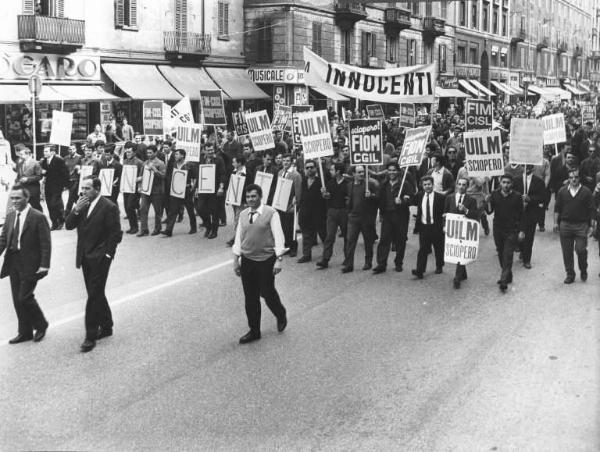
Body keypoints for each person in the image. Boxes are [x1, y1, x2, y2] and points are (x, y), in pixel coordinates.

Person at [65, 176, 122, 353]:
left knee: (93, 295)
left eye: (87, 188)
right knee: (95, 292)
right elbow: (68, 226)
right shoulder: (82, 204)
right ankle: (107, 325)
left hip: (100, 257)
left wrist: (107, 255)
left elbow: (116, 234)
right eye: (82, 187)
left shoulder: (109, 207)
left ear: (97, 189)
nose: (83, 191)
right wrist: (76, 210)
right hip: (84, 256)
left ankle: (90, 336)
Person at [232, 184, 287, 344]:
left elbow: (279, 237)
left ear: (260, 196)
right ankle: (254, 330)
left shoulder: (271, 213)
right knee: (250, 297)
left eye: (254, 196)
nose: (250, 199)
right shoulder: (243, 214)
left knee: (267, 293)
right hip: (247, 260)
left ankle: (280, 313)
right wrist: (236, 260)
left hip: (266, 260)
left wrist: (279, 259)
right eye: (248, 197)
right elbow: (238, 238)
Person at [0, 185, 50, 344]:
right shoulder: (10, 216)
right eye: (12, 198)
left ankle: (41, 324)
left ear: (27, 198)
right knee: (17, 299)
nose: (14, 201)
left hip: (30, 263)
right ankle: (25, 331)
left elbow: (45, 244)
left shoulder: (38, 217)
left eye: (17, 198)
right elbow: (3, 240)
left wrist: (44, 264)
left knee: (24, 297)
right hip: (13, 261)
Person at [553, 168, 596, 284]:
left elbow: (591, 210)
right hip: (565, 225)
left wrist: (591, 226)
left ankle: (583, 268)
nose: (573, 179)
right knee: (567, 252)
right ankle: (570, 274)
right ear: (568, 178)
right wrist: (555, 223)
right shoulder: (562, 191)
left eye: (576, 177)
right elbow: (557, 208)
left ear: (579, 178)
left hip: (581, 225)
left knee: (581, 249)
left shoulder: (586, 192)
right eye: (571, 177)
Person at [485, 174, 524, 293]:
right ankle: (508, 274)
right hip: (498, 228)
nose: (506, 185)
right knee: (501, 252)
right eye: (504, 182)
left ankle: (503, 280)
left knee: (508, 254)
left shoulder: (517, 197)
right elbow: (490, 211)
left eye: (508, 183)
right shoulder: (494, 194)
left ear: (511, 184)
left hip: (512, 229)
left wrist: (522, 231)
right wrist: (487, 202)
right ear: (500, 183)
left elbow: (522, 215)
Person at [373, 163, 415, 274]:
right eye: (389, 170)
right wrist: (380, 213)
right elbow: (380, 199)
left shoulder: (404, 184)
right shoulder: (384, 184)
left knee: (400, 240)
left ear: (398, 171)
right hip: (387, 215)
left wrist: (403, 201)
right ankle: (381, 264)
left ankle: (398, 263)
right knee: (384, 240)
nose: (391, 172)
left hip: (401, 216)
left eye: (394, 170)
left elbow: (411, 199)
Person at [342, 165, 379, 273]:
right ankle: (349, 265)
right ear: (353, 174)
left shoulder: (370, 184)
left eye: (363, 172)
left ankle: (368, 262)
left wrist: (371, 195)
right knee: (350, 241)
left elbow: (378, 198)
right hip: (353, 217)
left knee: (368, 241)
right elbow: (347, 198)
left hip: (366, 217)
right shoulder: (349, 185)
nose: (362, 174)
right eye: (359, 172)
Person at [444, 176, 478, 289]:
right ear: (456, 185)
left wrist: (466, 210)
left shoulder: (471, 200)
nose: (461, 187)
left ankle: (457, 277)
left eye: (464, 185)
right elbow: (445, 212)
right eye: (459, 184)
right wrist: (444, 224)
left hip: (464, 230)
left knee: (461, 252)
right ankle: (463, 274)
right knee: (457, 252)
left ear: (467, 187)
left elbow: (475, 215)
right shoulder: (450, 198)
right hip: (453, 230)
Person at [411, 175, 446, 279]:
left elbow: (444, 212)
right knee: (423, 249)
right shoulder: (419, 196)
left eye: (429, 184)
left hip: (436, 226)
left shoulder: (440, 198)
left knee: (438, 248)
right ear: (422, 185)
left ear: (433, 185)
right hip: (424, 226)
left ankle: (439, 265)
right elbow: (411, 202)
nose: (427, 186)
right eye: (425, 184)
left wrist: (444, 225)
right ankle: (420, 270)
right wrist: (405, 198)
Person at [316, 162, 349, 269]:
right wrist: (325, 195)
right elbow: (328, 197)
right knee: (329, 236)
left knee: (347, 236)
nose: (330, 171)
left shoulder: (348, 183)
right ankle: (325, 259)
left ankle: (348, 258)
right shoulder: (330, 183)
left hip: (344, 212)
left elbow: (350, 198)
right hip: (332, 212)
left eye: (332, 170)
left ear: (338, 171)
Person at [513, 165, 546, 269]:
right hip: (518, 213)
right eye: (524, 166)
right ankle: (522, 250)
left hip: (531, 213)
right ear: (522, 167)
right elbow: (512, 194)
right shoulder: (516, 180)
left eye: (529, 166)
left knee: (529, 236)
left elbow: (542, 197)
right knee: (520, 235)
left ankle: (527, 260)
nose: (527, 168)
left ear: (533, 168)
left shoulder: (539, 181)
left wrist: (530, 199)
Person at [160, 149, 198, 237]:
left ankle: (193, 227)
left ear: (182, 156)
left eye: (177, 154)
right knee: (173, 210)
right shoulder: (174, 164)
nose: (175, 156)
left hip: (186, 190)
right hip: (176, 190)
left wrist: (194, 188)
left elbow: (196, 177)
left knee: (190, 209)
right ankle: (168, 230)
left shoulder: (189, 165)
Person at [297, 159, 326, 263]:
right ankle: (306, 255)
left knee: (324, 235)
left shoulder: (321, 182)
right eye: (307, 168)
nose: (309, 169)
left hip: (319, 213)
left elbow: (327, 197)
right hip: (305, 213)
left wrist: (325, 194)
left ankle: (326, 256)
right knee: (306, 235)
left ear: (316, 168)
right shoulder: (304, 181)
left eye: (311, 167)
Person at [197, 142, 226, 239]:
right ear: (204, 150)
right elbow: (199, 174)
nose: (211, 151)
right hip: (203, 189)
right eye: (208, 150)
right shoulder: (201, 159)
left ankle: (214, 231)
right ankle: (208, 226)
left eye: (212, 149)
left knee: (214, 211)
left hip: (214, 189)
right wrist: (197, 188)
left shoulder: (219, 160)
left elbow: (223, 174)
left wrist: (221, 187)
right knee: (200, 209)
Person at [137, 145, 166, 237]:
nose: (148, 155)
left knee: (158, 211)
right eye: (147, 153)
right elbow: (141, 175)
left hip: (156, 191)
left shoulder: (161, 163)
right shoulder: (145, 163)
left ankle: (157, 228)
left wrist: (154, 170)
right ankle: (144, 229)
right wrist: (139, 185)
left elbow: (163, 176)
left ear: (155, 153)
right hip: (146, 190)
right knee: (143, 209)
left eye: (150, 153)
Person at [277, 154, 302, 257]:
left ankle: (293, 247)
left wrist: (296, 203)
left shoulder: (296, 175)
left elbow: (298, 191)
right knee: (283, 227)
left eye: (287, 161)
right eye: (284, 161)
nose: (285, 163)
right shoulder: (280, 172)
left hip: (290, 205)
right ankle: (286, 245)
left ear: (291, 162)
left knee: (290, 227)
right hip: (281, 204)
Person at [40, 145, 69, 230]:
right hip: (48, 186)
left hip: (57, 186)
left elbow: (65, 173)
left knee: (55, 204)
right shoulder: (44, 161)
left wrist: (64, 185)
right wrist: (43, 172)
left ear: (52, 152)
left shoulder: (59, 160)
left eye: (46, 151)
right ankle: (54, 223)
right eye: (44, 151)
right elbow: (45, 173)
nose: (44, 153)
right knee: (49, 205)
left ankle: (61, 220)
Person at [121, 142, 144, 234]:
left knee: (130, 206)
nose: (127, 153)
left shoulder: (139, 162)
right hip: (126, 187)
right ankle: (132, 226)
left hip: (134, 188)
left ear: (134, 152)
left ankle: (135, 227)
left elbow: (143, 175)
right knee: (127, 207)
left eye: (129, 152)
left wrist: (139, 179)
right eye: (126, 152)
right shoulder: (124, 161)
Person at [15, 147, 43, 212]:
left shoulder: (35, 163)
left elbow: (39, 176)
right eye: (20, 154)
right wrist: (17, 182)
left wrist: (28, 179)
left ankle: (41, 220)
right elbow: (18, 175)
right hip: (23, 191)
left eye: (22, 154)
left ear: (27, 154)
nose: (20, 156)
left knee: (36, 208)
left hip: (33, 191)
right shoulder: (20, 163)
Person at [64, 144, 82, 215]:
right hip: (68, 180)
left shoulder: (79, 158)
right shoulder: (65, 158)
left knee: (71, 196)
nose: (71, 151)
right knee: (74, 197)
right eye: (70, 149)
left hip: (76, 180)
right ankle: (83, 209)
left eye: (73, 149)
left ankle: (66, 213)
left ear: (76, 149)